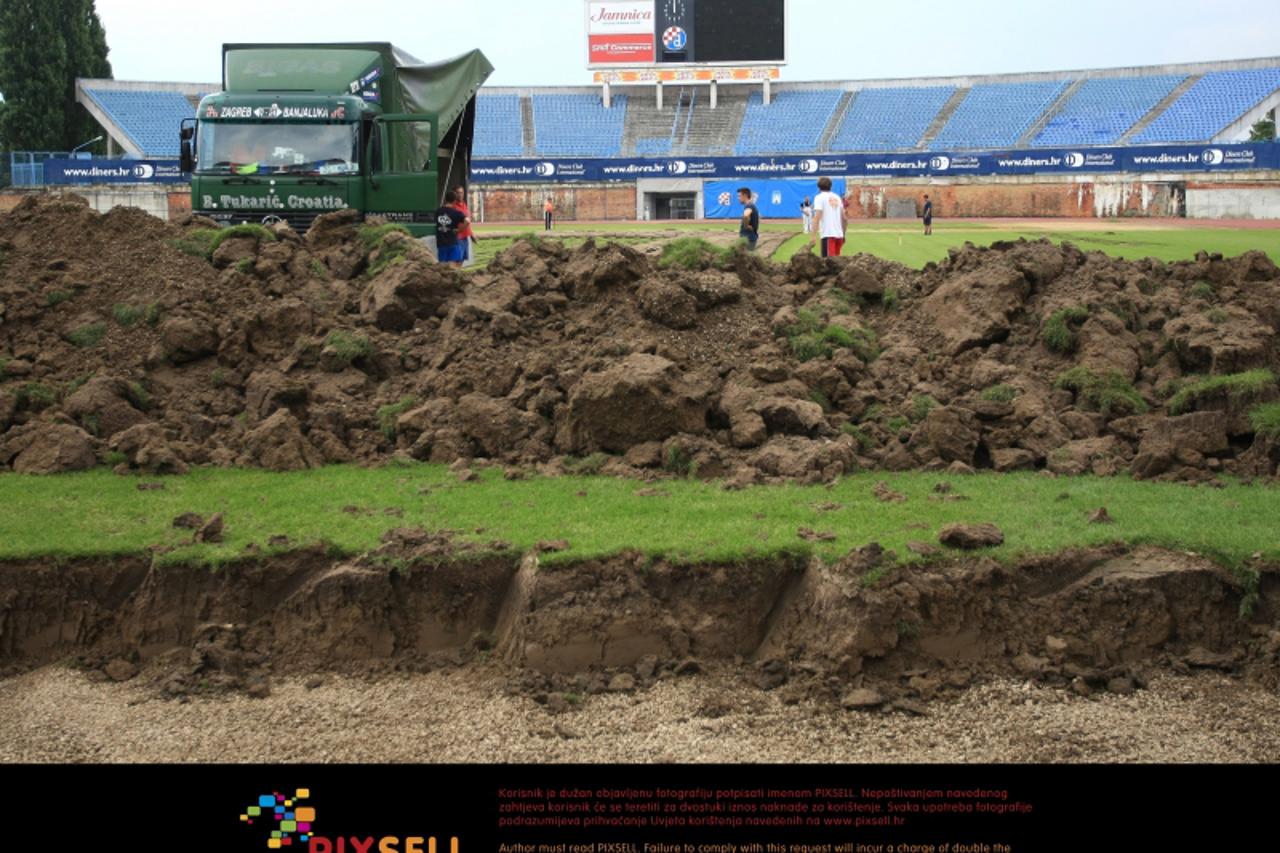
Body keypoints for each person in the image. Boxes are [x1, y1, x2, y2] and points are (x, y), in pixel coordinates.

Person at [809, 176, 845, 257]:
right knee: (837, 263)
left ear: (818, 187)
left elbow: (817, 217)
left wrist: (813, 236)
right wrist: (843, 234)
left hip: (828, 235)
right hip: (839, 236)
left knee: (827, 263)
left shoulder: (819, 197)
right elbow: (843, 217)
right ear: (831, 186)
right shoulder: (837, 197)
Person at [435, 189, 470, 268]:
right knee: (453, 267)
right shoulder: (456, 213)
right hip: (452, 243)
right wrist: (459, 230)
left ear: (445, 199)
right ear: (454, 201)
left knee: (442, 267)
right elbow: (467, 221)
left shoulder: (438, 211)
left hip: (441, 244)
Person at [453, 185, 478, 266]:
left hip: (465, 237)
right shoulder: (453, 206)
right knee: (457, 260)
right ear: (454, 194)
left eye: (462, 192)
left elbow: (468, 221)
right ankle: (454, 276)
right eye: (458, 193)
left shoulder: (464, 204)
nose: (460, 194)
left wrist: (471, 235)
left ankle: (456, 275)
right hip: (457, 238)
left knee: (462, 259)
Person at [737, 186, 759, 251]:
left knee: (747, 259)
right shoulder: (751, 205)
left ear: (745, 196)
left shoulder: (749, 205)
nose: (738, 198)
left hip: (748, 239)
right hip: (748, 238)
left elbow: (746, 216)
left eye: (739, 196)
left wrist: (746, 226)